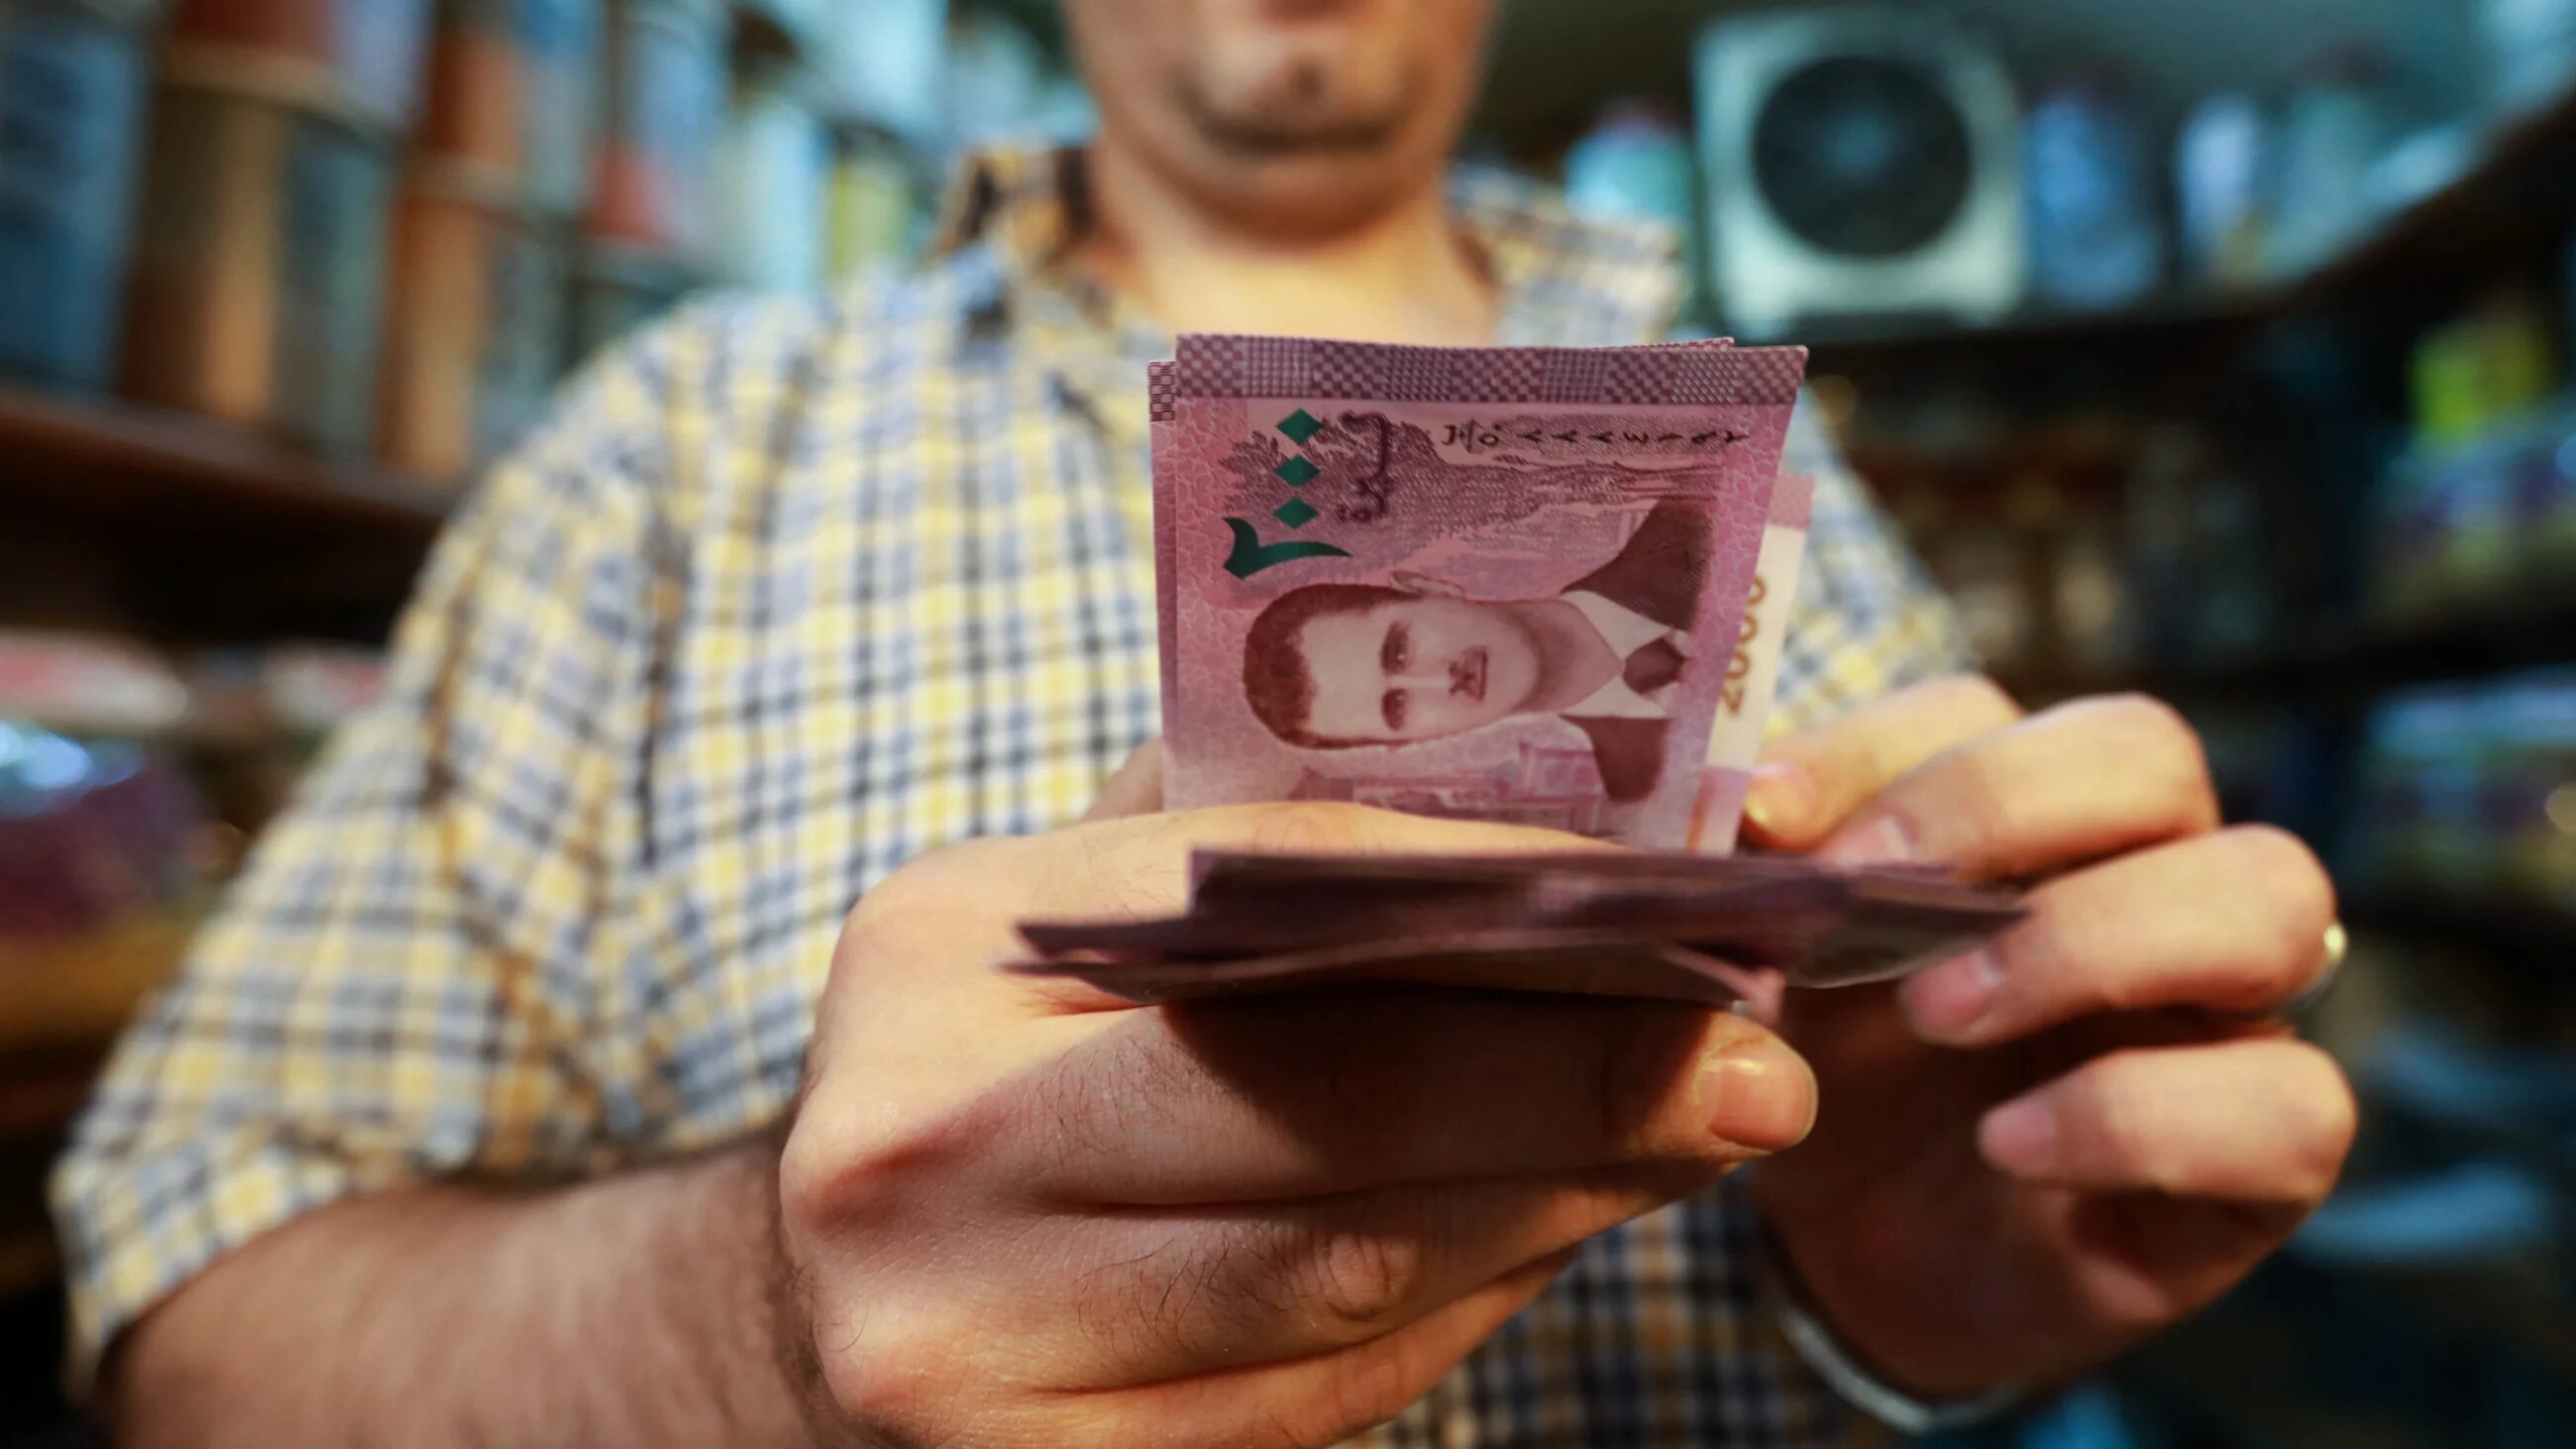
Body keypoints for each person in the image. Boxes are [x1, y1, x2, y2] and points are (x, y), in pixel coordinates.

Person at [53, 0, 2355, 1444]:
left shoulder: (1792, 468)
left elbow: (1922, 1230)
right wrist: (755, 1317)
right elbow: (188, 1313)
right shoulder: (673, 449)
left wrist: (1908, 1308)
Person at [1242, 500, 1713, 804]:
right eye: (1399, 706)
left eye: (1400, 651)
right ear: (1412, 743)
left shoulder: (1697, 523)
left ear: (1428, 587)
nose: (1440, 681)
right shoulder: (1643, 794)